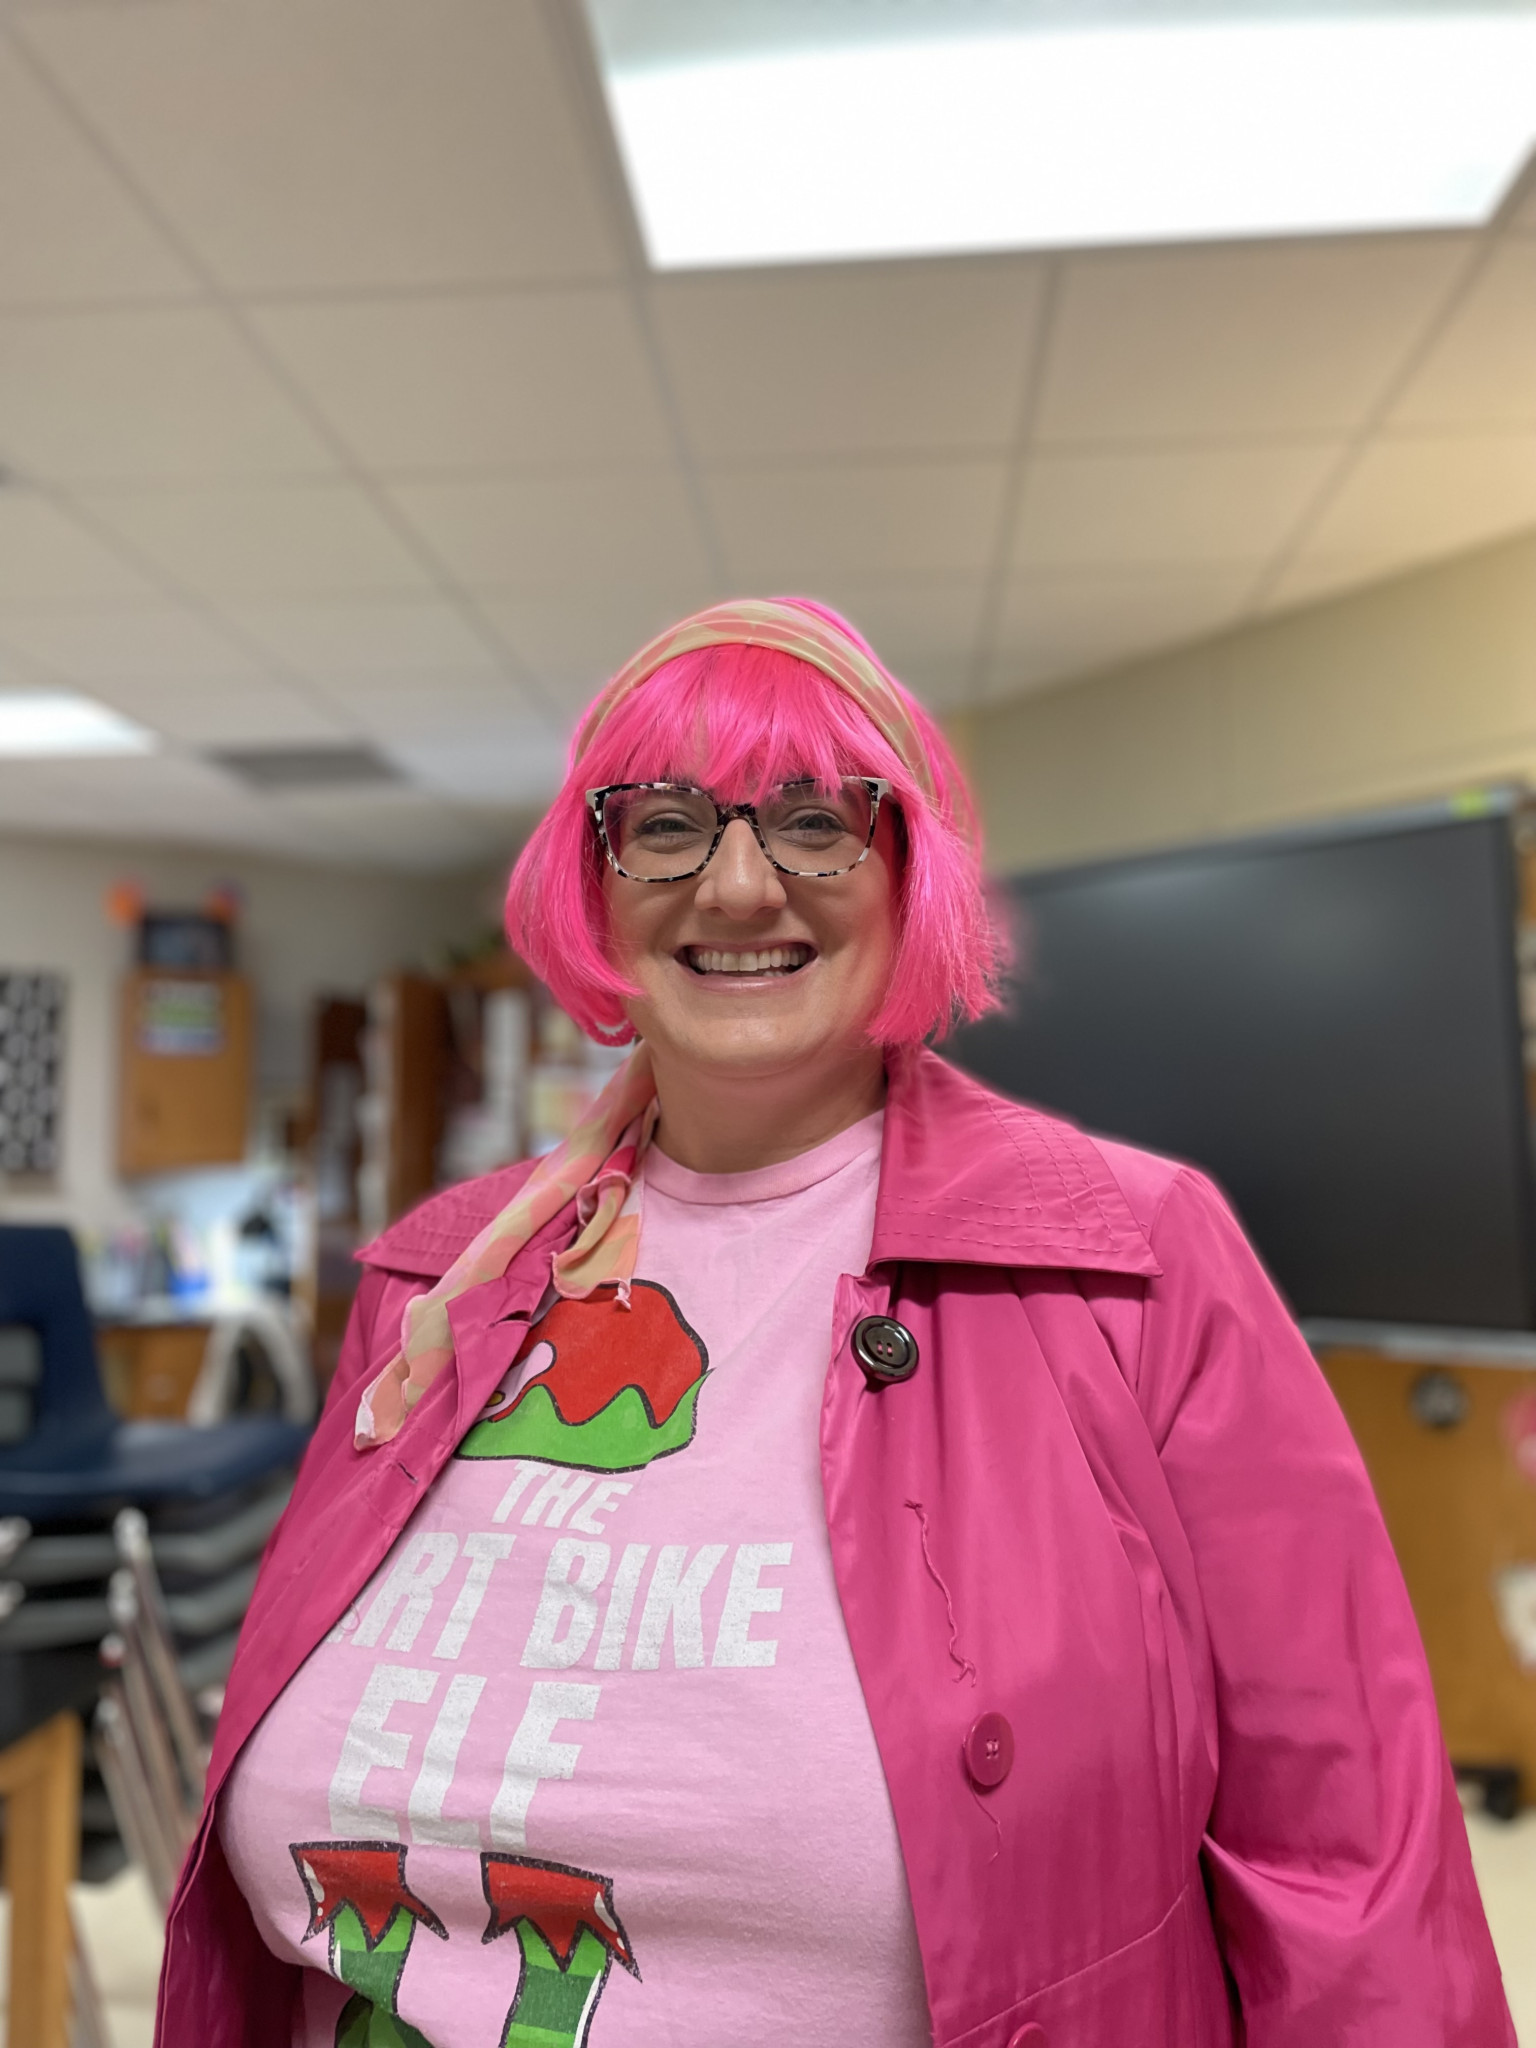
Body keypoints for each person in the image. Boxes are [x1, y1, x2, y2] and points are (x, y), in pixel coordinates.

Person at [156, 598, 1511, 2048]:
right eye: (664, 824)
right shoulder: (437, 1286)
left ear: (912, 871)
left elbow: (1354, 1875)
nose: (738, 884)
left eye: (817, 822)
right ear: (594, 884)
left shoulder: (1133, 1265)